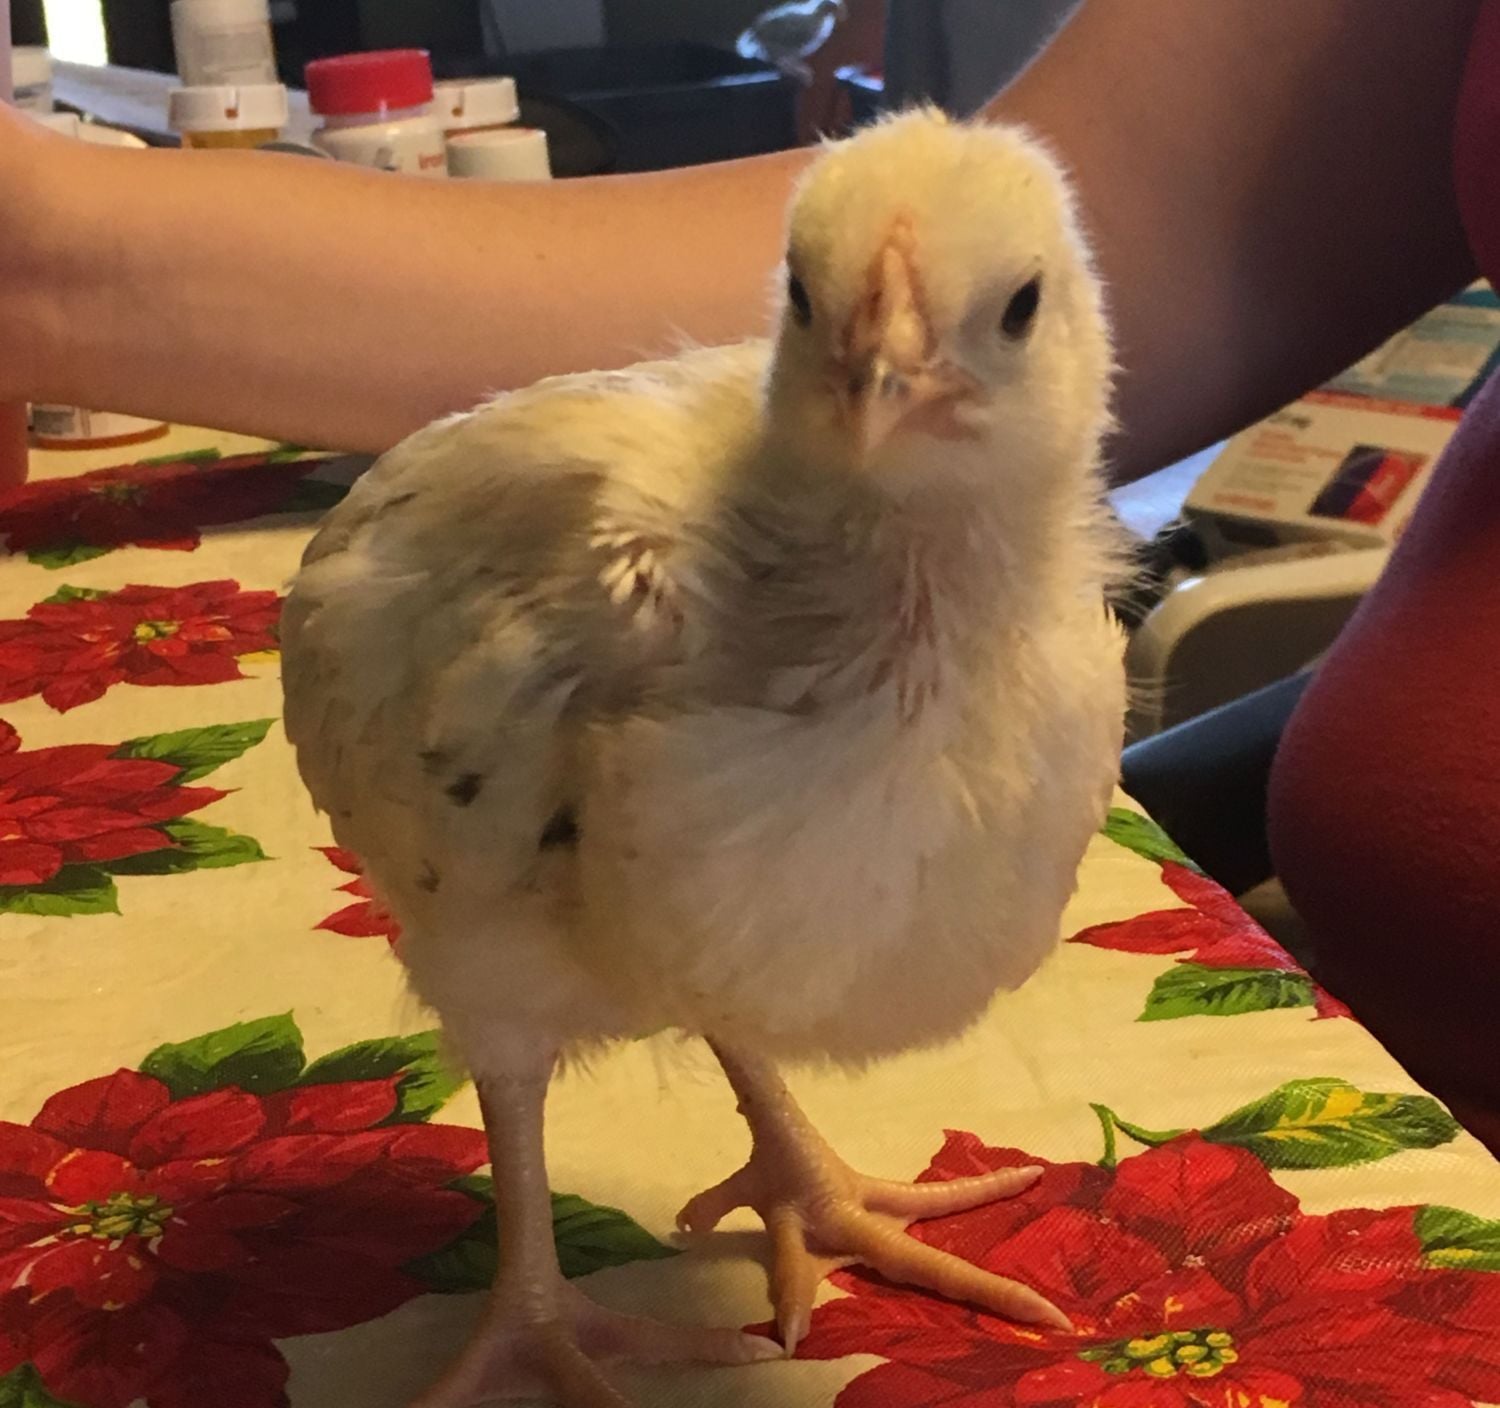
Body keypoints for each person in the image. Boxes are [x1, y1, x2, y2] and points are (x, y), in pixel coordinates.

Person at [1, 0, 1494, 1147]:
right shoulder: (599, 610)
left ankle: (760, 1153)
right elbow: (1169, 210)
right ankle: (538, 1279)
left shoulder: (1049, 640)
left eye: (1002, 318)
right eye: (825, 321)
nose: (882, 378)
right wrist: (52, 258)